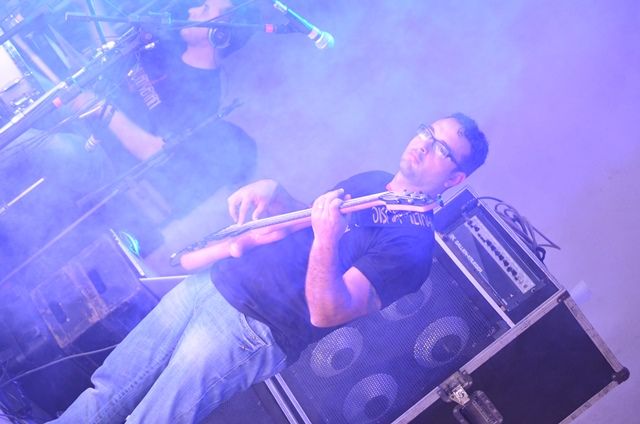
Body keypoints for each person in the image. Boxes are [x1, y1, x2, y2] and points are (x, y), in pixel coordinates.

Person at [49, 113, 489, 423]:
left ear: (455, 178)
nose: (423, 144)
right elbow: (312, 224)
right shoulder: (375, 181)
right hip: (214, 284)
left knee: (150, 419)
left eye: (441, 148)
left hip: (251, 329)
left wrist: (328, 236)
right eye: (426, 131)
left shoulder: (412, 247)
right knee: (109, 389)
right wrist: (278, 196)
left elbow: (329, 311)